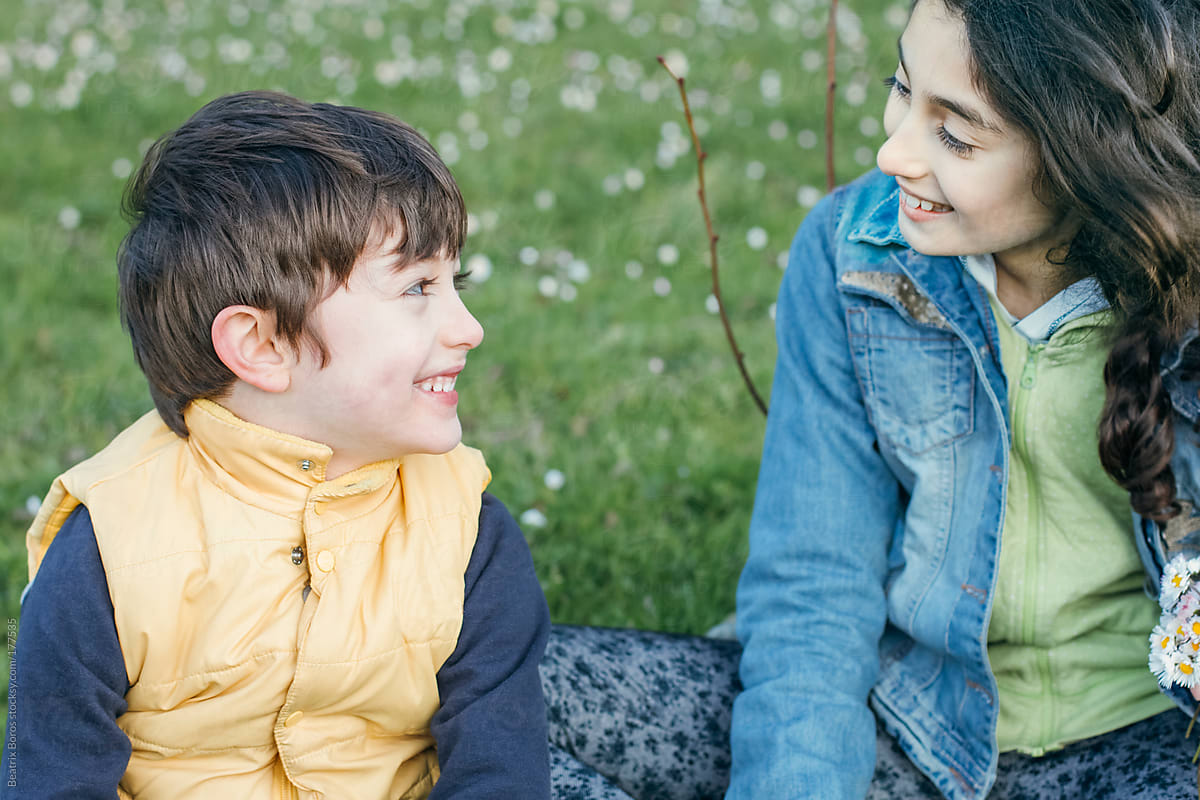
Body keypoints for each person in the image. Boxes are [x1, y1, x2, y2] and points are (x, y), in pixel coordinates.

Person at [2, 91, 551, 799]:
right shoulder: (107, 549)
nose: (468, 327)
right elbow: (53, 781)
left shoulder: (467, 533)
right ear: (261, 345)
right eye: (418, 287)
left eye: (456, 281)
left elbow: (498, 775)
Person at [727, 0, 1200, 797]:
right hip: (914, 727)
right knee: (503, 701)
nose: (892, 152)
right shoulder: (854, 255)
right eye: (899, 88)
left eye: (955, 132)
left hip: (1152, 746)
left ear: (1088, 155)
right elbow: (815, 588)